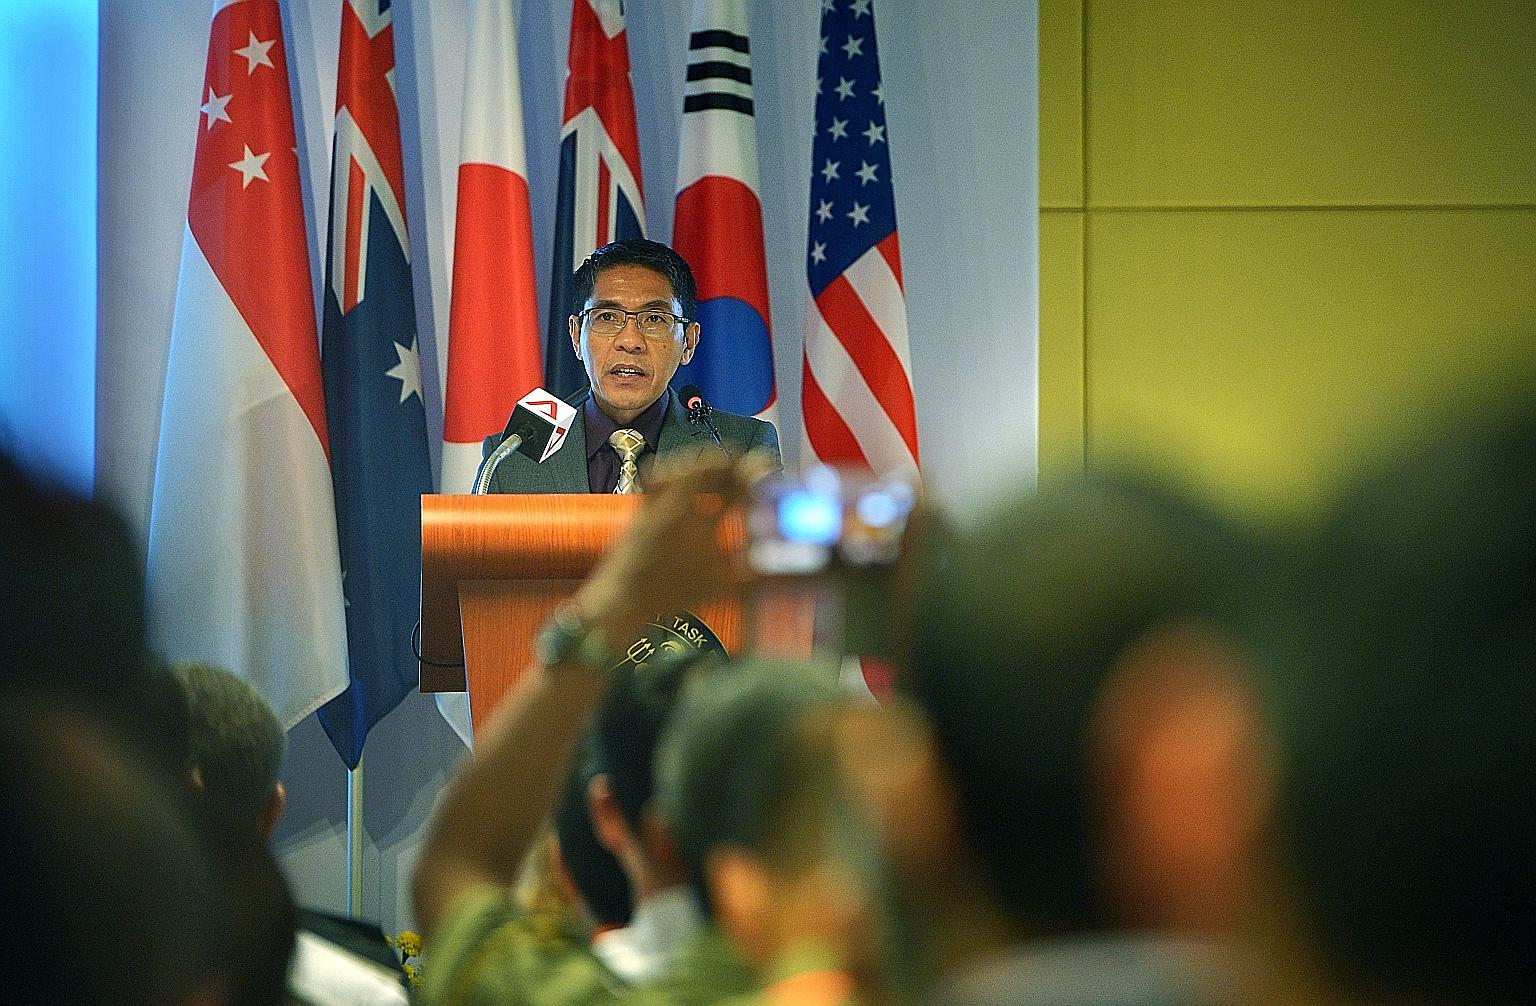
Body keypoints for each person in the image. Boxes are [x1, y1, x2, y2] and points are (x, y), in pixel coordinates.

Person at [413, 454, 768, 1006]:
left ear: (612, 819)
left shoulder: (552, 995)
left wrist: (609, 608)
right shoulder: (861, 985)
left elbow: (456, 864)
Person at [477, 239, 780, 494]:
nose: (630, 341)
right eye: (607, 317)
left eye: (655, 319)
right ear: (575, 335)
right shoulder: (511, 457)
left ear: (688, 342)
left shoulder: (741, 449)